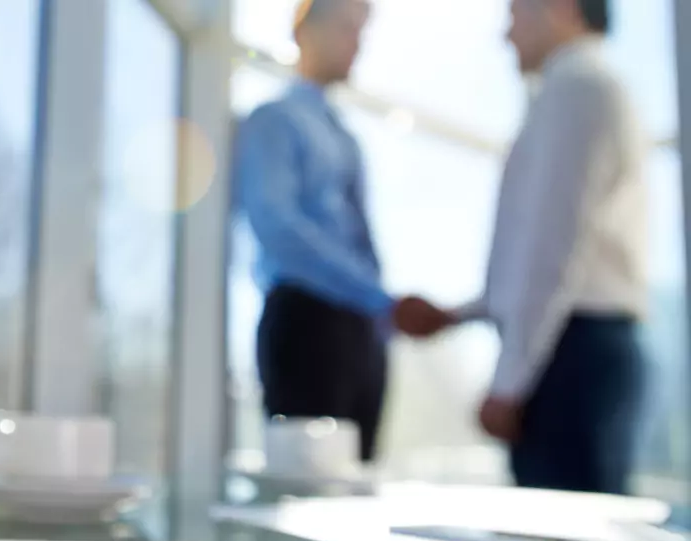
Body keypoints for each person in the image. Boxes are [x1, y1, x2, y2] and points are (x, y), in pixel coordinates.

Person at [406, 0, 648, 495]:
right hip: (571, 345)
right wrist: (460, 314)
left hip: (571, 355)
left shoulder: (576, 88)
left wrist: (509, 384)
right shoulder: (576, 89)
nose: (506, 34)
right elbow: (546, 251)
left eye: (515, 13)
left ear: (560, 8)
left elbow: (553, 251)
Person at [234, 0, 437, 463]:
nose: (357, 44)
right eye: (348, 29)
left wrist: (379, 311)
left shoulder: (345, 137)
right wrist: (379, 299)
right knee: (307, 482)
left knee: (355, 478)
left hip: (362, 329)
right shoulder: (275, 121)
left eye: (361, 31)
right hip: (307, 322)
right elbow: (277, 226)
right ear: (306, 29)